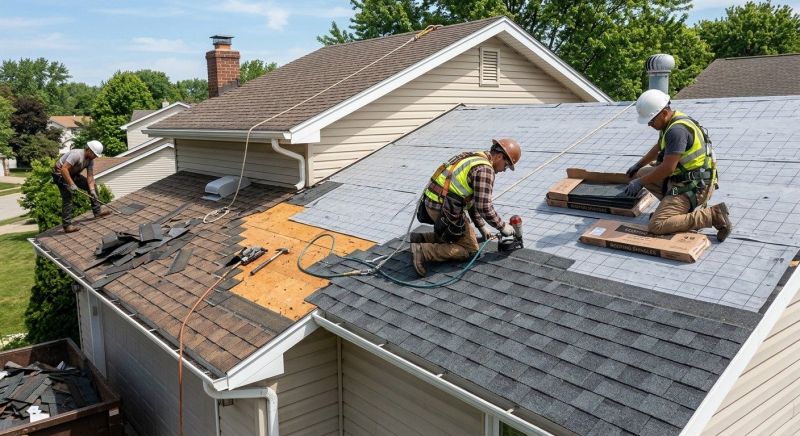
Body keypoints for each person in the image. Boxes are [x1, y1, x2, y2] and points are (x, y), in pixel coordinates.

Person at [624, 89, 732, 241]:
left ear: (663, 113)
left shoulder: (677, 131)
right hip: (681, 179)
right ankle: (672, 211)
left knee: (657, 225)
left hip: (694, 187)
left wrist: (640, 182)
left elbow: (668, 168)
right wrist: (639, 164)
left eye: (651, 121)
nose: (649, 125)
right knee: (641, 173)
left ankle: (712, 215)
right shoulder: (670, 122)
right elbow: (659, 146)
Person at [409, 138, 521, 276]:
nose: (504, 170)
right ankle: (423, 251)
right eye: (506, 165)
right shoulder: (486, 169)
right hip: (443, 209)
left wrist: (481, 226)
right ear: (499, 157)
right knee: (470, 249)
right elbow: (484, 206)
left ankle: (420, 238)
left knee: (459, 237)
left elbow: (471, 199)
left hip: (432, 203)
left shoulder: (475, 157)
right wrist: (502, 226)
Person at [52, 140, 110, 233]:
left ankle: (97, 212)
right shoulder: (76, 155)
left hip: (73, 174)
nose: (95, 157)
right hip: (60, 174)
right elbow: (64, 169)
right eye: (94, 154)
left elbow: (90, 177)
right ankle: (67, 226)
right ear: (89, 150)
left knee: (92, 186)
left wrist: (92, 190)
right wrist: (71, 184)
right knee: (68, 196)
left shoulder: (90, 161)